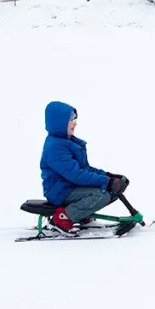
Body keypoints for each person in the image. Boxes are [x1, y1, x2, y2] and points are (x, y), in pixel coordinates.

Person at [40, 101, 128, 235]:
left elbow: (84, 169)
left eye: (75, 119)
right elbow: (76, 175)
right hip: (60, 191)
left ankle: (80, 214)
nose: (75, 123)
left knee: (113, 190)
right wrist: (106, 182)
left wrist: (109, 177)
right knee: (102, 195)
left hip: (70, 187)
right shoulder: (55, 147)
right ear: (58, 122)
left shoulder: (67, 142)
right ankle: (62, 219)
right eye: (70, 120)